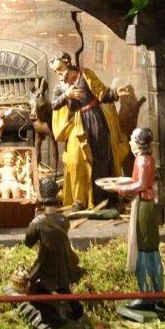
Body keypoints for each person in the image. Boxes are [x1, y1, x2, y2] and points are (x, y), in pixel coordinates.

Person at [49, 52, 130, 210]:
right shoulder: (60, 87)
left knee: (102, 157)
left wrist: (115, 93)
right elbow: (54, 105)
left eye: (60, 68)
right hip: (76, 123)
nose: (58, 73)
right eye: (55, 71)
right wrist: (67, 95)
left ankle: (105, 198)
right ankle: (79, 201)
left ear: (67, 63)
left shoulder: (85, 74)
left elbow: (101, 93)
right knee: (76, 161)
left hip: (95, 118)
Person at [110, 128, 165, 312]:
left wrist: (120, 189)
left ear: (138, 143)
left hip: (143, 206)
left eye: (132, 139)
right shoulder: (149, 158)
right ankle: (157, 294)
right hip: (146, 204)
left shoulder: (142, 160)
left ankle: (147, 295)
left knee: (144, 251)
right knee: (151, 251)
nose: (130, 142)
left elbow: (141, 184)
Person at [22, 176, 86, 329]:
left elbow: (28, 242)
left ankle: (54, 314)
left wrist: (35, 221)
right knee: (63, 288)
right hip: (64, 266)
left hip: (46, 266)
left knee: (31, 292)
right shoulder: (64, 220)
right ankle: (75, 309)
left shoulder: (37, 223)